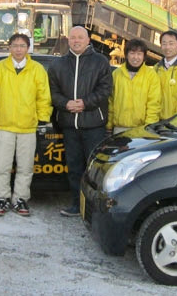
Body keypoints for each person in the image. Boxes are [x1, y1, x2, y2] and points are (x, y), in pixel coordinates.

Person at [0, 33, 52, 217]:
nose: (18, 49)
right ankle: (2, 198)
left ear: (28, 48)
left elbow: (43, 97)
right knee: (1, 166)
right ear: (9, 48)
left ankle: (20, 198)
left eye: (22, 45)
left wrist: (43, 120)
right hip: (4, 126)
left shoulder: (37, 70)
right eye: (15, 45)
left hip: (28, 127)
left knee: (25, 167)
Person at [48, 26, 113, 217]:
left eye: (80, 37)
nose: (76, 40)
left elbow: (105, 90)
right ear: (68, 40)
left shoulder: (101, 62)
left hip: (93, 125)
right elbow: (52, 92)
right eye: (73, 37)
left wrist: (84, 104)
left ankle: (94, 209)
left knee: (94, 169)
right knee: (74, 168)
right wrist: (66, 104)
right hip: (69, 125)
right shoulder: (58, 65)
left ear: (87, 40)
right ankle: (77, 205)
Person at [107, 39, 160, 134]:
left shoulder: (151, 75)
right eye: (132, 53)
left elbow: (154, 104)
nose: (135, 57)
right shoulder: (116, 74)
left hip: (141, 130)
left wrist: (148, 128)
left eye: (139, 54)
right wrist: (109, 125)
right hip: (119, 128)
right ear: (126, 55)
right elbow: (111, 102)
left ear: (144, 56)